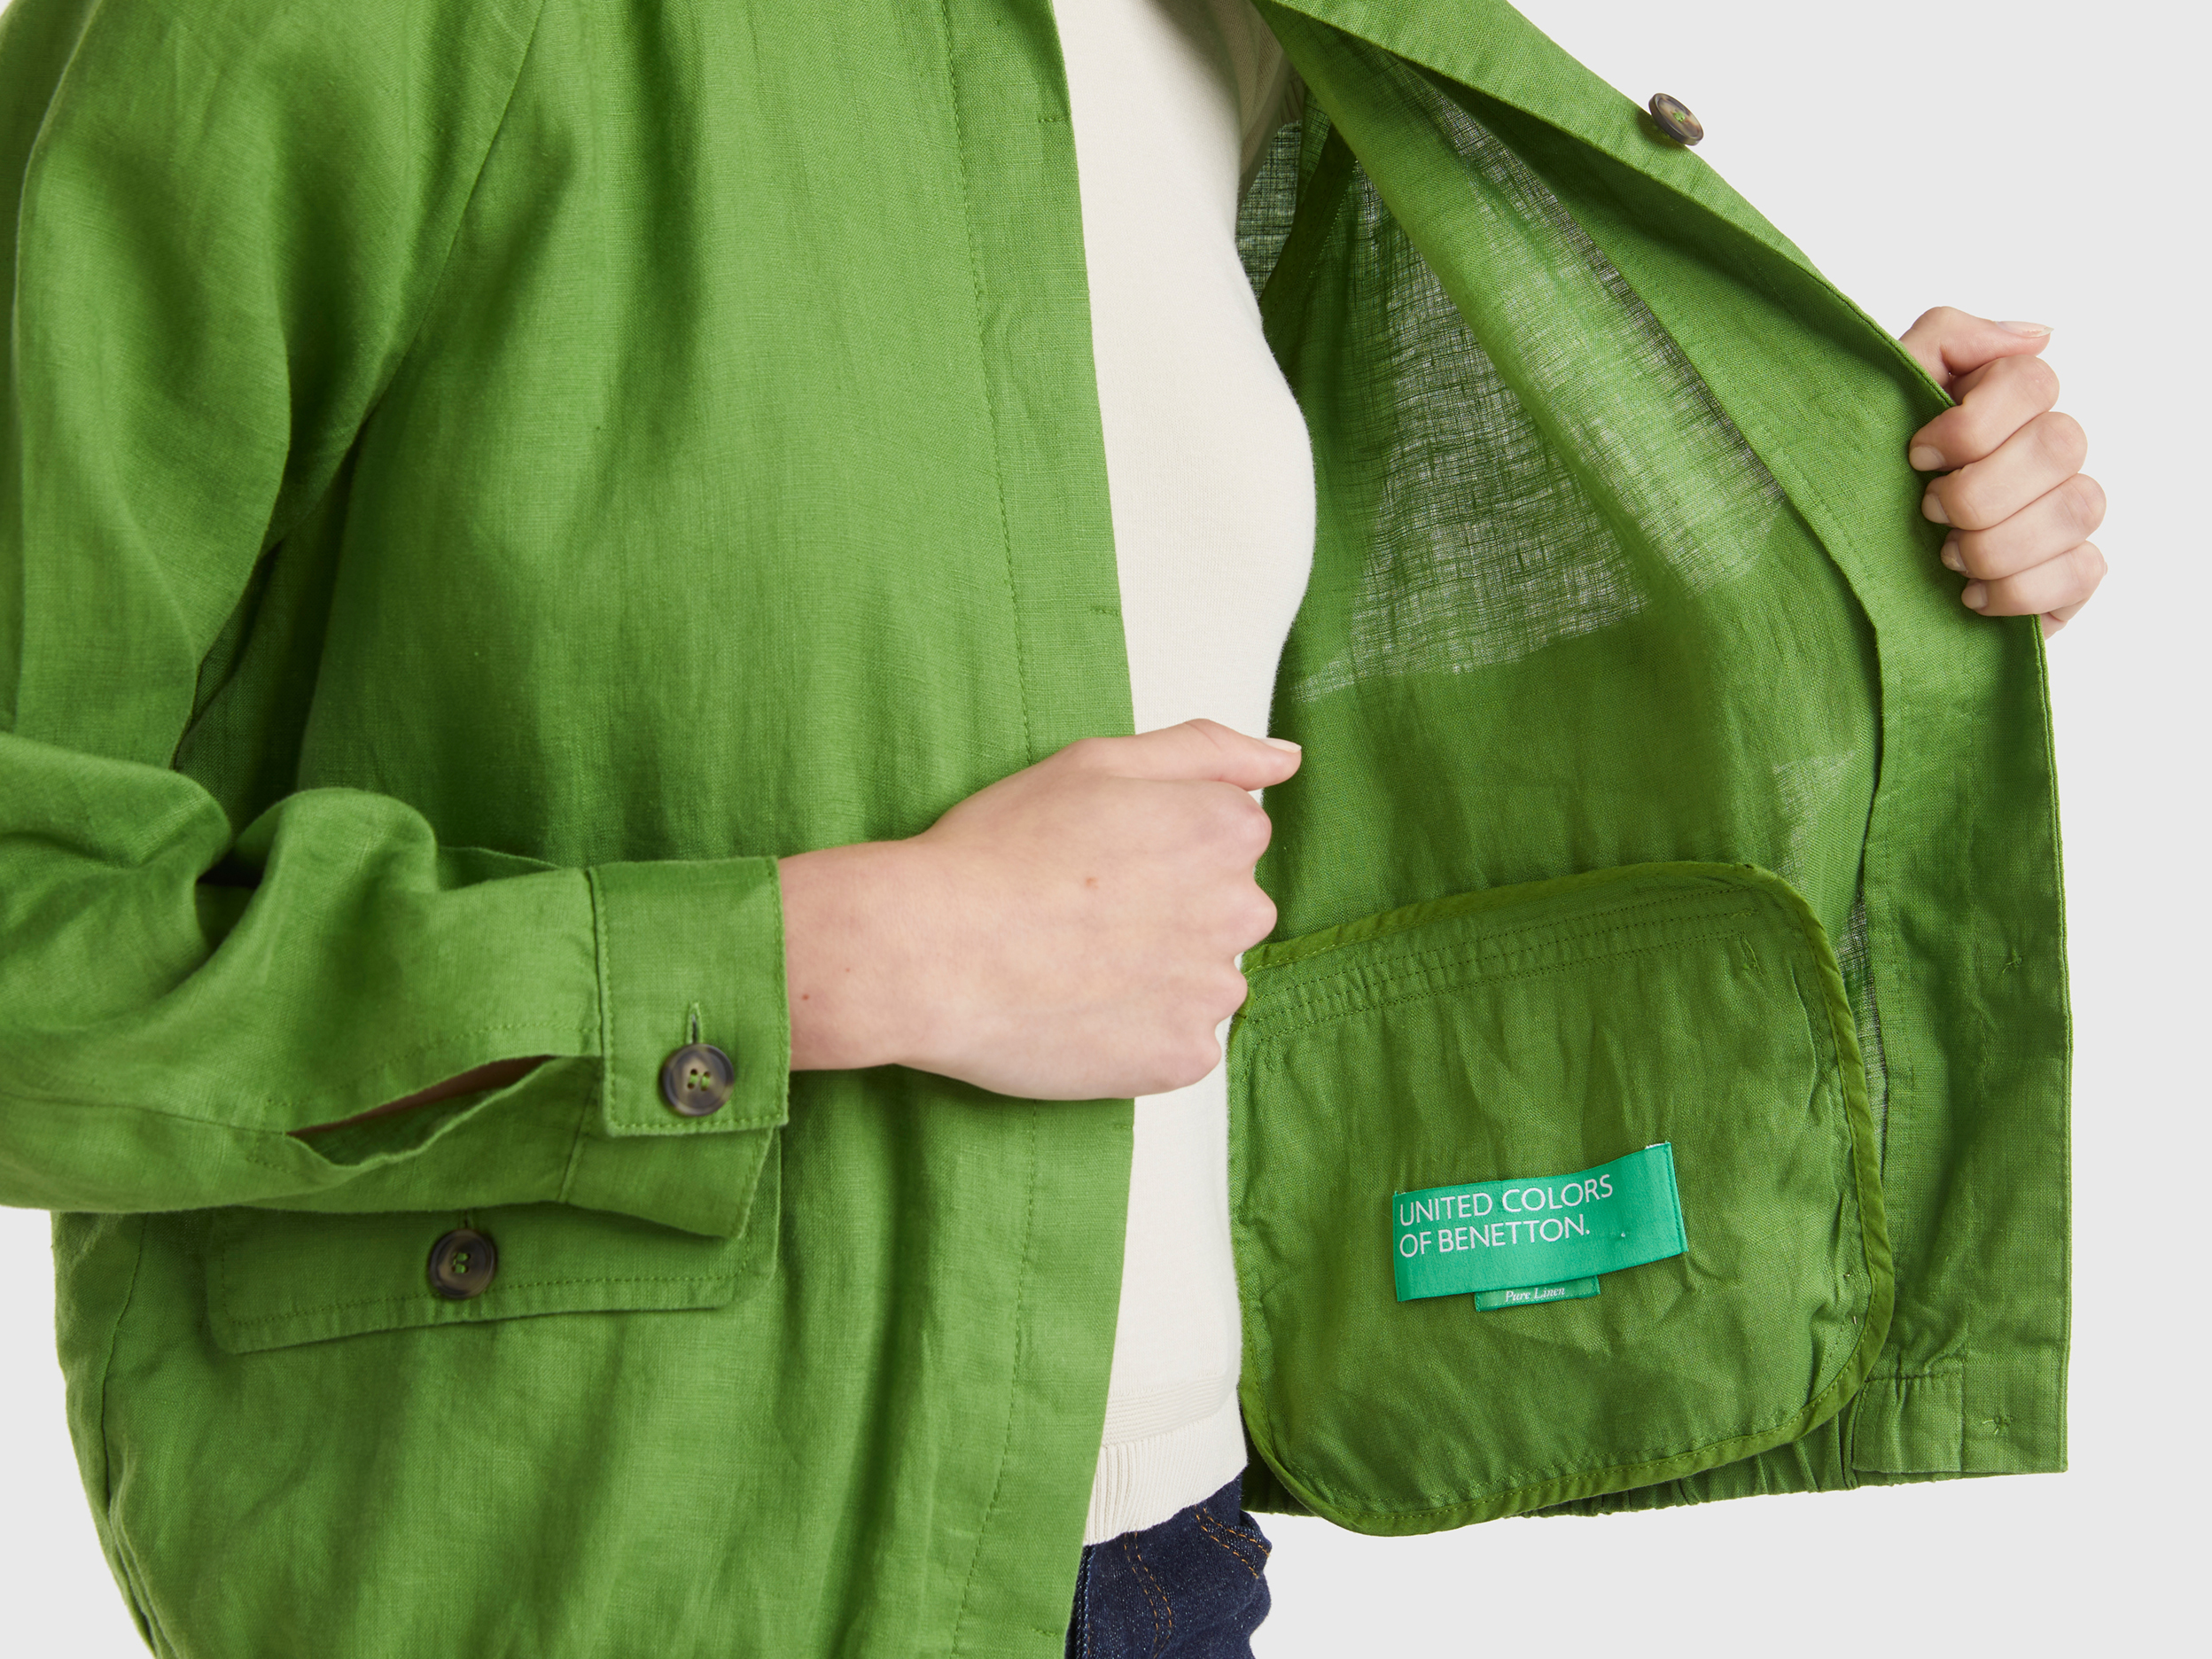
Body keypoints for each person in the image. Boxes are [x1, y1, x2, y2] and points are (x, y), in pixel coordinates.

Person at [0, 0, 2099, 1654]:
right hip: (592, 1570)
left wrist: (1824, 503)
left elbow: (1327, 673)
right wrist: (836, 960)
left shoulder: (1238, 31)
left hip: (1158, 1561)